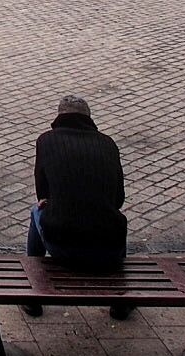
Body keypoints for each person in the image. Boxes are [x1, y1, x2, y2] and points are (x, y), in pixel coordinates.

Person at [25, 94, 131, 318]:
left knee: (37, 211)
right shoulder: (108, 144)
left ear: (59, 117)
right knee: (113, 218)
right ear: (89, 119)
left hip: (62, 245)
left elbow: (42, 194)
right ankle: (121, 301)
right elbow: (118, 199)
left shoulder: (46, 140)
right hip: (109, 247)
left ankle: (32, 296)